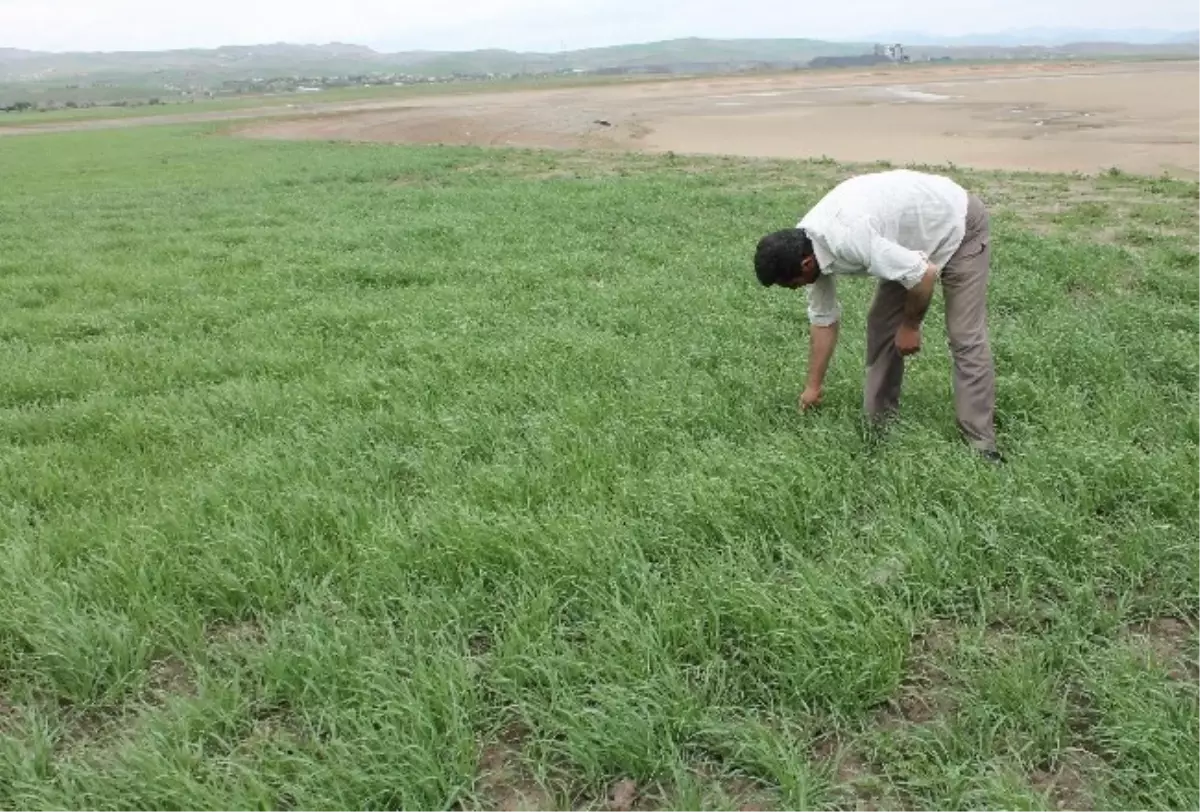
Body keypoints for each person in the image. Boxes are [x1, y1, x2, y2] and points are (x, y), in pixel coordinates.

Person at [753, 169, 1002, 463]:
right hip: (908, 239)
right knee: (881, 325)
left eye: (791, 284)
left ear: (806, 265)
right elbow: (823, 320)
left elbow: (924, 275)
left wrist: (910, 326)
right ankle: (879, 427)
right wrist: (813, 387)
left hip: (957, 223)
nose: (794, 290)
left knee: (964, 335)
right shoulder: (804, 243)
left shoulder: (848, 239)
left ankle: (982, 444)